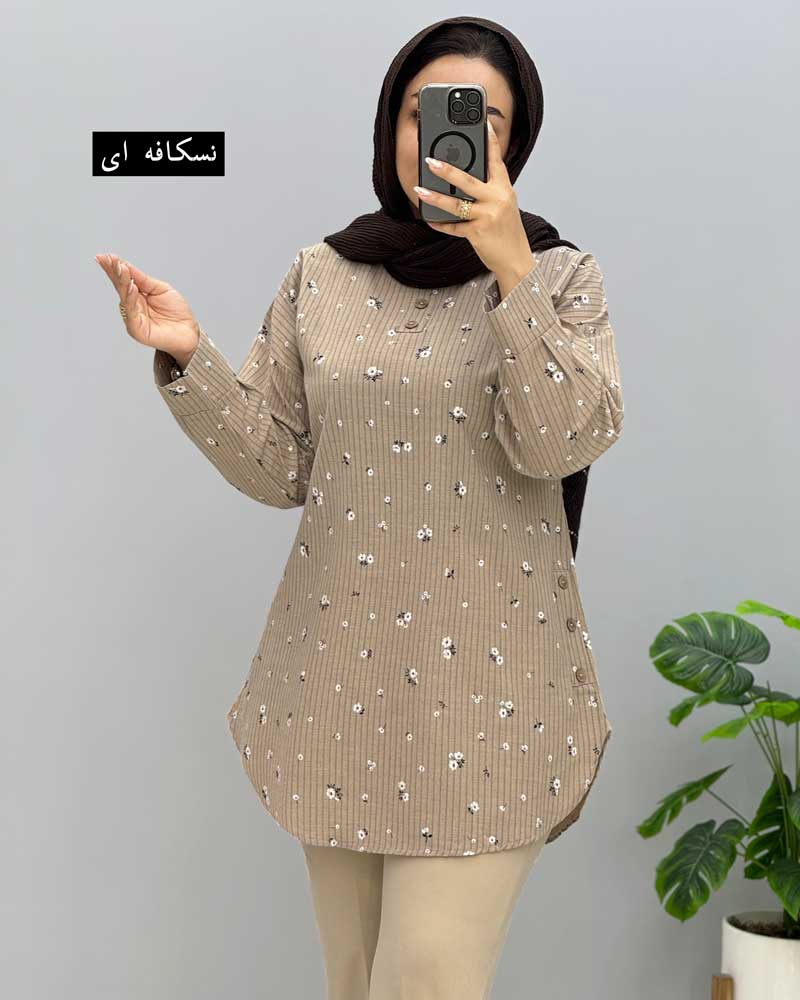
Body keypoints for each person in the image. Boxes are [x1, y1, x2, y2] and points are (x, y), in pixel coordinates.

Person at [96, 15, 624, 1000]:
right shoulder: (323, 274)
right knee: (352, 981)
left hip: (493, 695)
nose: (446, 136)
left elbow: (562, 441)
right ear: (391, 126)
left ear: (514, 141)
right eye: (425, 113)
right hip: (342, 683)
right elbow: (277, 467)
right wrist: (188, 354)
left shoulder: (560, 277)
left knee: (423, 982)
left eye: (481, 120)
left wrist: (511, 268)